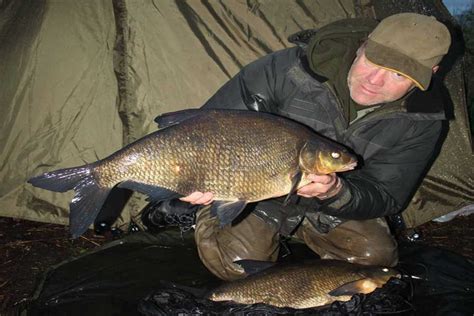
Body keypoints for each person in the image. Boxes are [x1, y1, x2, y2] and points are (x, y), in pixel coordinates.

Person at [143, 13, 452, 281]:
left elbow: (386, 195)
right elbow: (204, 132)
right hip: (251, 190)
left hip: (330, 206)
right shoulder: (284, 71)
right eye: (373, 61)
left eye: (398, 74)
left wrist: (336, 193)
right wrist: (189, 179)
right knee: (238, 268)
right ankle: (203, 216)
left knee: (374, 266)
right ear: (363, 45)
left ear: (428, 76)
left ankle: (302, 284)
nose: (374, 81)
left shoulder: (423, 120)